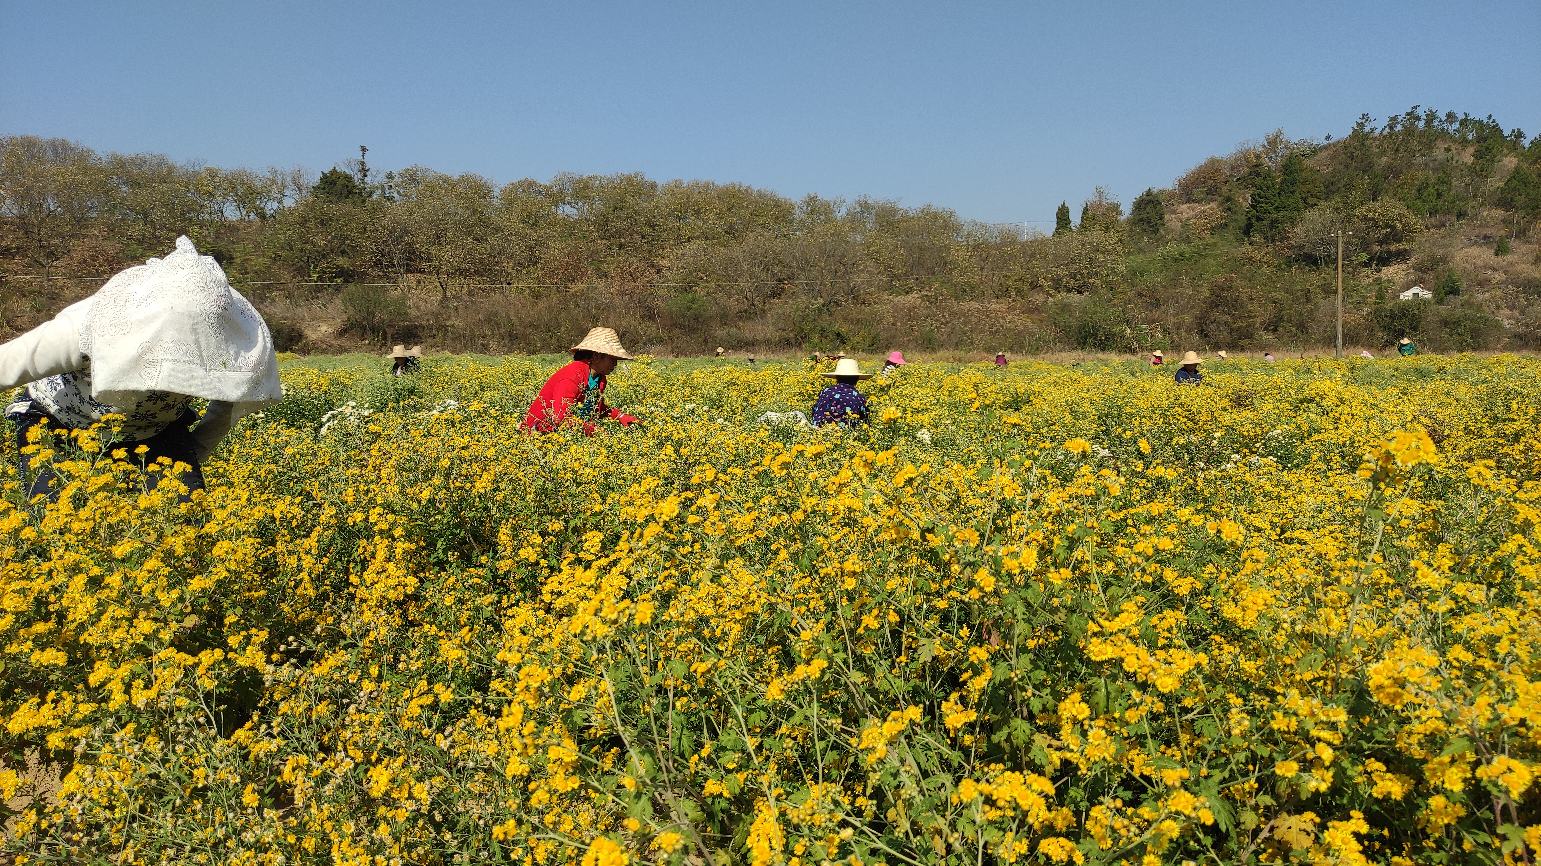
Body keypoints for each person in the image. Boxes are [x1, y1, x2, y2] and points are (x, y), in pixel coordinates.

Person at [0, 236, 282, 501]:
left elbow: (228, 403)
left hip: (157, 431)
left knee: (184, 519)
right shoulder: (89, 326)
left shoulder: (237, 338)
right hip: (59, 425)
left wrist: (191, 457)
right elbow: (6, 366)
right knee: (53, 515)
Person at [521, 327, 639, 435]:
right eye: (612, 359)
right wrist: (595, 431)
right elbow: (562, 419)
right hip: (539, 434)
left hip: (569, 434)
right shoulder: (571, 376)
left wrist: (619, 415)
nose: (615, 364)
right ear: (596, 356)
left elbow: (595, 408)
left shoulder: (599, 379)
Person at [811, 357, 872, 427]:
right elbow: (866, 419)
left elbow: (816, 412)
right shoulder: (859, 397)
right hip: (847, 432)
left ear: (836, 377)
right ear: (857, 379)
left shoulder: (826, 391)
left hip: (821, 431)